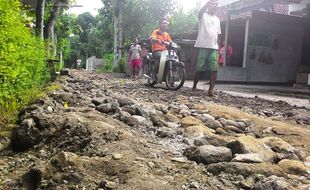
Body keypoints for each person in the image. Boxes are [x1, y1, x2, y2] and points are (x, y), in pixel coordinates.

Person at [192, 0, 221, 97]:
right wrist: (206, 4)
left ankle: (211, 90)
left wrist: (219, 48)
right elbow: (200, 12)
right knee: (199, 69)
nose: (215, 6)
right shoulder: (202, 15)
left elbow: (218, 34)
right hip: (202, 46)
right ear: (209, 5)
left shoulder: (217, 19)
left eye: (217, 4)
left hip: (214, 48)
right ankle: (194, 86)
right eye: (214, 4)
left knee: (214, 69)